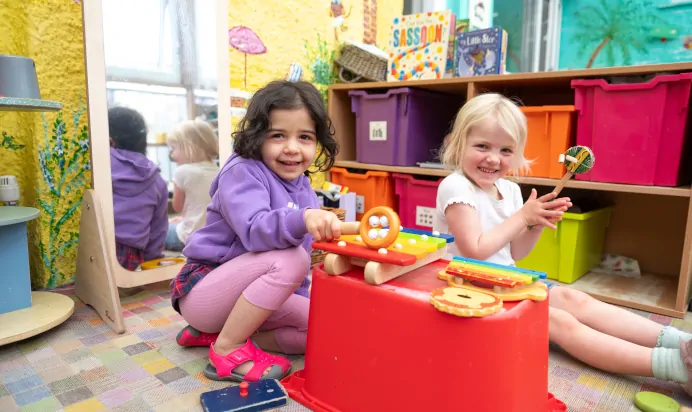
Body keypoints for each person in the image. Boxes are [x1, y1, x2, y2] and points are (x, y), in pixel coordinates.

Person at [433, 93, 692, 394]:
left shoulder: (510, 190)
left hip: (508, 280)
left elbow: (516, 252)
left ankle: (681, 342)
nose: (493, 158)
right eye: (482, 146)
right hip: (469, 287)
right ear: (458, 143)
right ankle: (676, 368)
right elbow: (475, 250)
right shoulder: (456, 185)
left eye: (505, 150)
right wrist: (522, 218)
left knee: (576, 300)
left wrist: (536, 224)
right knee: (561, 322)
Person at [169, 80, 341, 382]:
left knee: (322, 327)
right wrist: (302, 219)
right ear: (257, 136)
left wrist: (300, 299)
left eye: (304, 137)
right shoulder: (242, 171)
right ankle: (227, 348)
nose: (291, 148)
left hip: (242, 299)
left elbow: (301, 260)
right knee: (290, 260)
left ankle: (222, 336)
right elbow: (255, 230)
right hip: (205, 290)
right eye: (278, 136)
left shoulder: (304, 189)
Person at [109, 106, 168, 270]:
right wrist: (153, 260)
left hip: (100, 249)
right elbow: (158, 229)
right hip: (131, 258)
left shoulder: (101, 165)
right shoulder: (157, 180)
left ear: (109, 140)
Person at [165, 119, 219, 251]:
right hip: (214, 238)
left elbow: (177, 207)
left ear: (189, 147)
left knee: (158, 230)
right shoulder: (218, 170)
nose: (172, 154)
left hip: (188, 238)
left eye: (174, 148)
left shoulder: (181, 172)